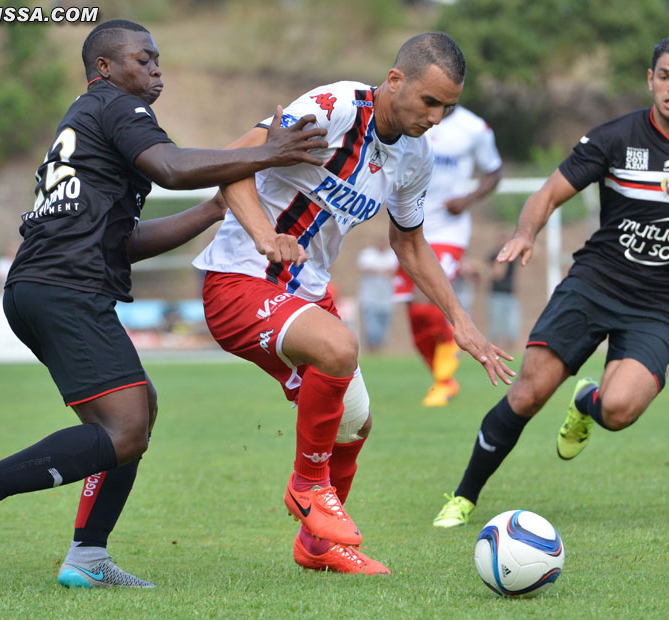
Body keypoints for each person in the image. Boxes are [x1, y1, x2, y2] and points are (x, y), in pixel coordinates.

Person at [0, 19, 328, 588]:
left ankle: (88, 557)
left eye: (157, 60)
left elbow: (124, 241)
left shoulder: (89, 120)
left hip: (44, 287)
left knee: (137, 412)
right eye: (143, 60)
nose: (155, 70)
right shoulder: (119, 108)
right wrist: (267, 154)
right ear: (105, 69)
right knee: (124, 429)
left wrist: (214, 210)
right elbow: (170, 168)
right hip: (63, 290)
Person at [433, 35, 669, 528]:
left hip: (660, 306)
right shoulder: (614, 138)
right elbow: (550, 192)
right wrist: (525, 232)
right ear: (650, 79)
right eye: (665, 76)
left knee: (618, 410)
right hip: (594, 286)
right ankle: (464, 496)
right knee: (528, 395)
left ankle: (586, 402)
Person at [194, 32, 514, 574]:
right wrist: (263, 237)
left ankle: (317, 547)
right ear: (395, 81)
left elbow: (409, 243)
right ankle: (307, 487)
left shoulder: (415, 155)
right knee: (341, 348)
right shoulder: (334, 108)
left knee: (355, 422)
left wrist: (462, 322)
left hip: (304, 291)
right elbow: (232, 164)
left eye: (447, 107)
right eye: (429, 101)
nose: (436, 116)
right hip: (240, 279)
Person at [393, 105, 502, 406]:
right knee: (415, 315)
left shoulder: (474, 128)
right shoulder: (410, 115)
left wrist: (467, 200)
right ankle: (443, 378)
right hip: (406, 225)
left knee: (425, 303)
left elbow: (494, 173)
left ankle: (447, 368)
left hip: (447, 231)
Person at [356, 236, 398, 351]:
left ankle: (378, 349)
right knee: (371, 326)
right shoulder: (368, 254)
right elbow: (364, 268)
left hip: (387, 297)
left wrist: (376, 270)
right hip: (370, 296)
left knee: (384, 326)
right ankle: (371, 348)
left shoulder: (392, 255)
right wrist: (382, 271)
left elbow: (395, 271)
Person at [487, 230, 521, 351]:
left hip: (511, 295)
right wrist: (502, 259)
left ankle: (511, 352)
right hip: (496, 295)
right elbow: (497, 274)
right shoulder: (494, 256)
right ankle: (495, 352)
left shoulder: (513, 255)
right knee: (496, 327)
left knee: (512, 327)